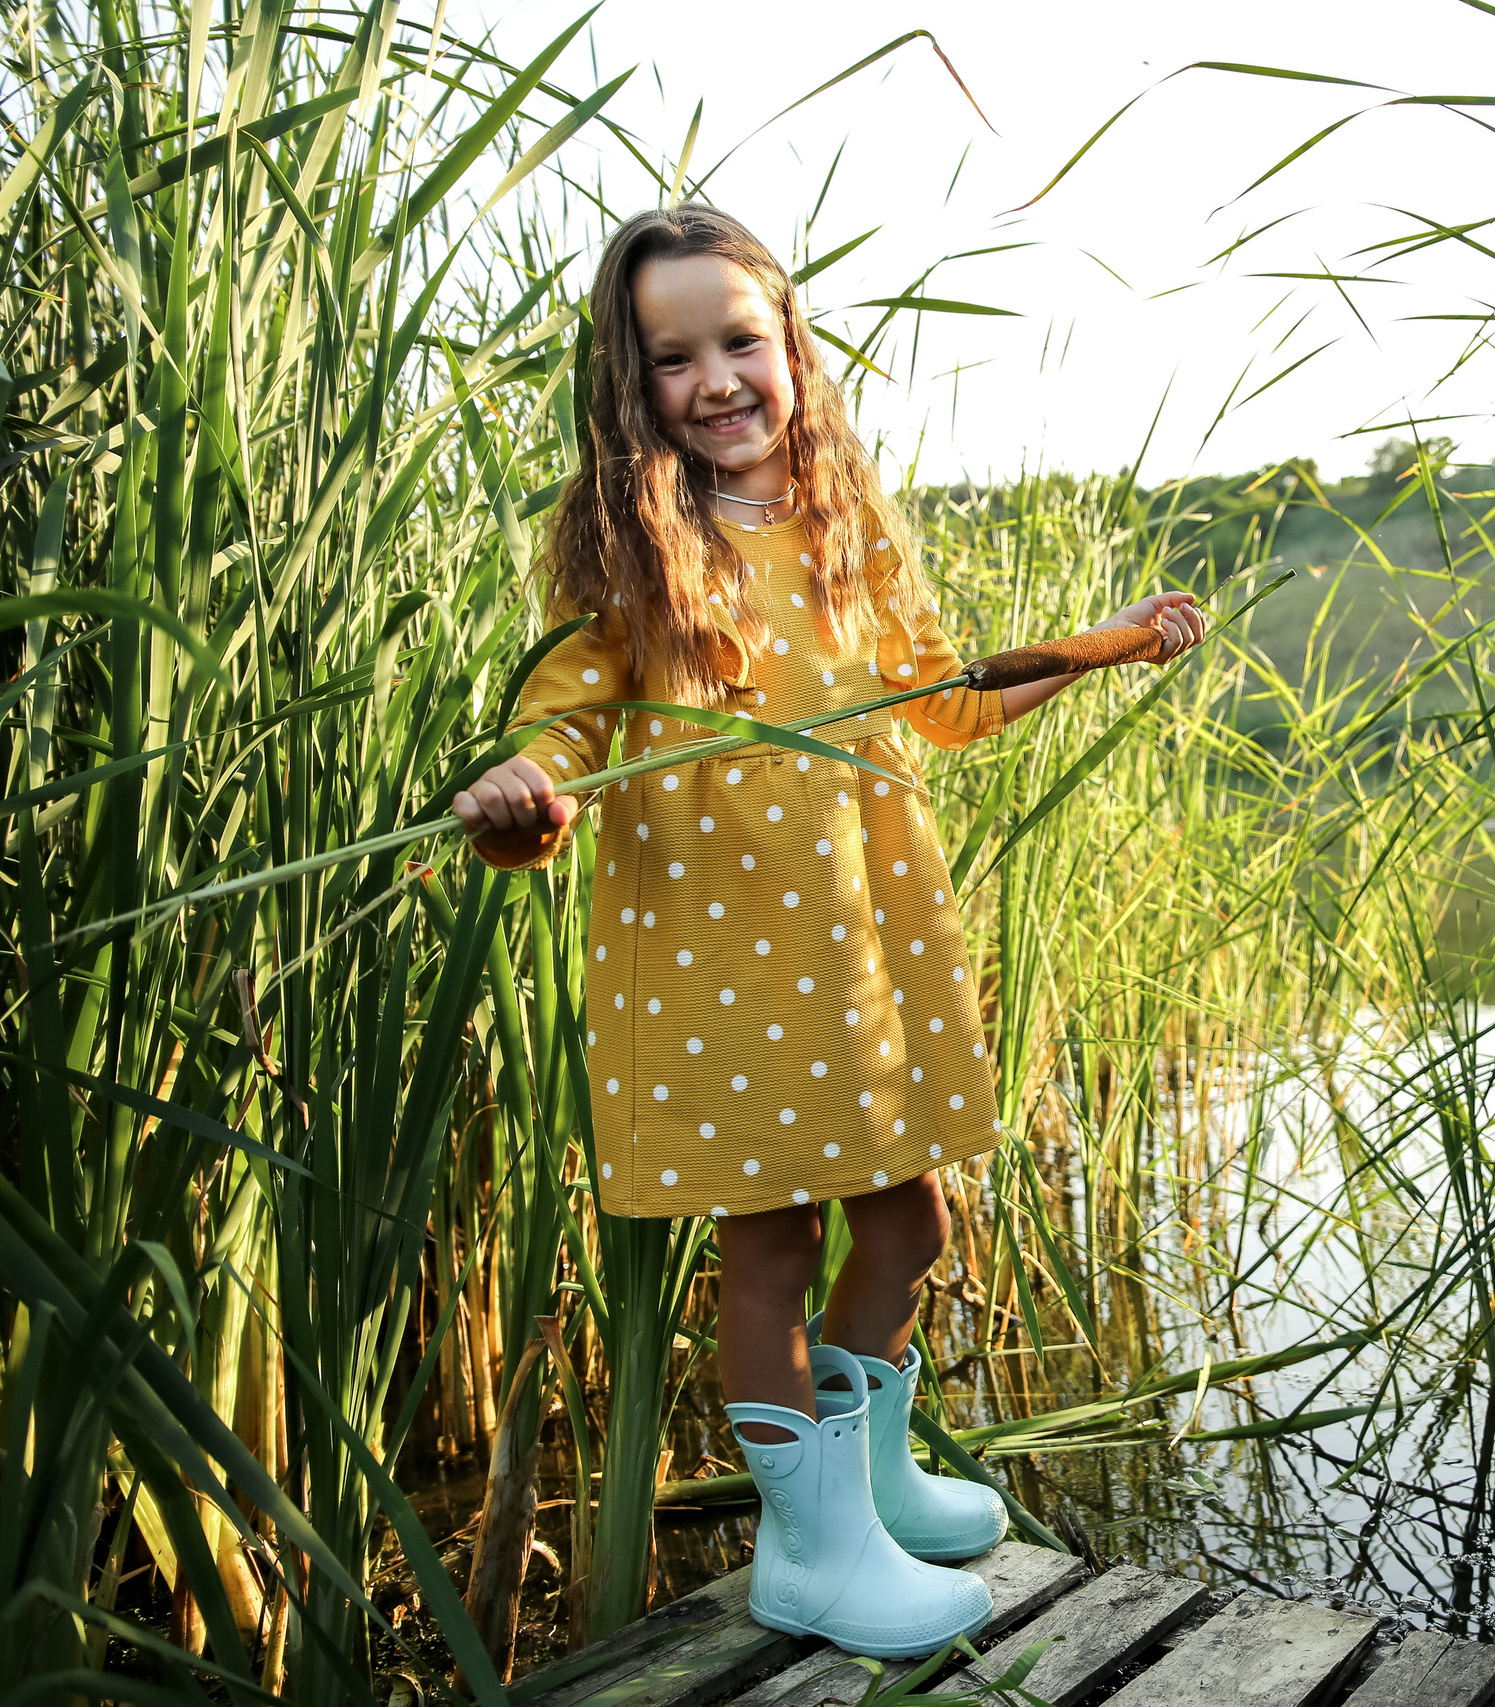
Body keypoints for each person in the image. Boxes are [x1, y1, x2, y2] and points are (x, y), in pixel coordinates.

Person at [454, 204, 1203, 1657]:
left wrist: (1105, 641)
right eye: (674, 359)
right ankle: (809, 1551)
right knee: (777, 1246)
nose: (719, 378)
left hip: (869, 951)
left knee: (913, 1217)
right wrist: (525, 794)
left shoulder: (844, 527)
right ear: (634, 389)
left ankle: (864, 1486)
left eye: (742, 339)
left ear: (792, 344)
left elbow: (945, 700)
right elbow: (563, 739)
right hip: (724, 967)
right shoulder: (631, 565)